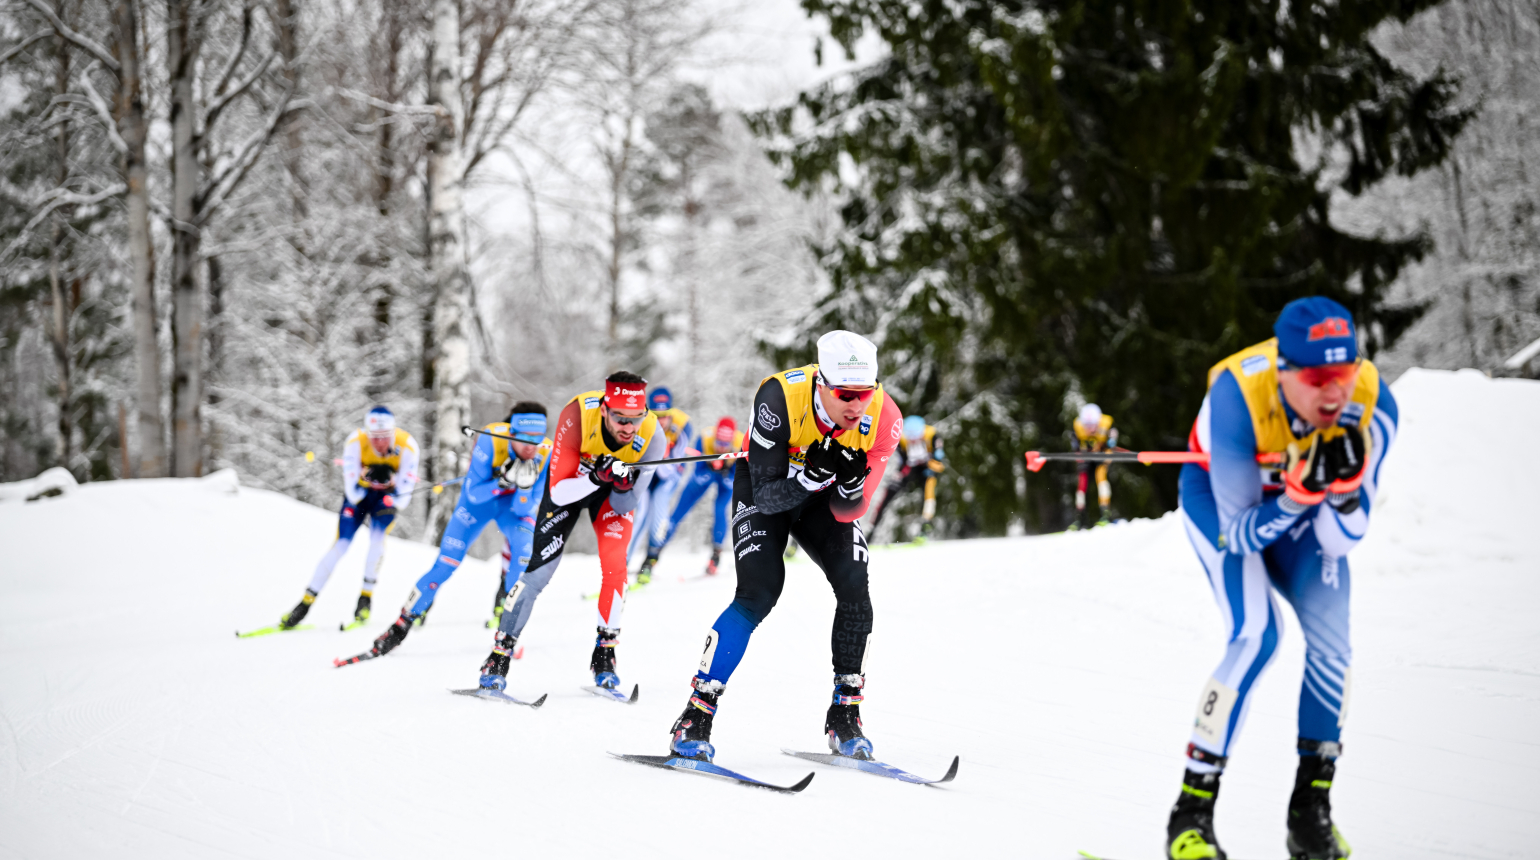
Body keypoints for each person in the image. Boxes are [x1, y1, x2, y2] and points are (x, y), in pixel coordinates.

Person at [1166, 297, 1397, 860]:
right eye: (1318, 378)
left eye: (1343, 373)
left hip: (1301, 508)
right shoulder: (1236, 397)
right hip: (1224, 505)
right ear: (1284, 371)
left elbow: (1346, 539)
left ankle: (1310, 813)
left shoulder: (1374, 402)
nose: (1335, 392)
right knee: (1256, 634)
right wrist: (1296, 498)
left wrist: (1341, 494)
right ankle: (1189, 817)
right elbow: (1242, 534)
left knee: (1332, 642)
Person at [666, 330, 902, 763]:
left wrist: (849, 484)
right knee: (760, 590)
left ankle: (845, 715)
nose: (857, 406)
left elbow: (852, 510)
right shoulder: (780, 397)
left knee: (855, 582)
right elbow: (768, 495)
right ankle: (695, 715)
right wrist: (810, 477)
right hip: (766, 487)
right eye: (846, 395)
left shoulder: (884, 417)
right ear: (822, 384)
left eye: (864, 394)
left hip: (819, 499)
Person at [473, 372, 665, 692]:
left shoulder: (653, 436)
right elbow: (560, 492)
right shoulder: (577, 415)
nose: (629, 428)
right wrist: (597, 477)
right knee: (539, 572)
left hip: (609, 497)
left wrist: (622, 484)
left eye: (636, 418)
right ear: (605, 410)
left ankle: (605, 656)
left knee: (617, 568)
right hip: (571, 486)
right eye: (620, 418)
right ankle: (499, 655)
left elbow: (624, 506)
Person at [359, 404, 552, 659]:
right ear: (511, 433)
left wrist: (525, 487)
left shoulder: (545, 452)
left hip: (512, 509)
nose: (531, 446)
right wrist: (502, 481)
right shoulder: (490, 442)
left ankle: (507, 634)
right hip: (476, 506)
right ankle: (399, 627)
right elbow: (473, 493)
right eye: (525, 439)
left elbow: (523, 507)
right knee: (446, 563)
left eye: (537, 439)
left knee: (524, 557)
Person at [280, 406, 418, 629]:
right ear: (367, 434)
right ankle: (305, 604)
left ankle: (365, 598)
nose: (380, 443)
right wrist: (368, 478)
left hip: (386, 498)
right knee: (340, 546)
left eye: (385, 437)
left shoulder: (408, 445)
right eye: (375, 437)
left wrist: (388, 484)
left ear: (393, 433)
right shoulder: (355, 441)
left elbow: (404, 498)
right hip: (360, 497)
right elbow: (353, 493)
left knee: (376, 541)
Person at [648, 416, 744, 576]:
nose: (721, 448)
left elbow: (734, 481)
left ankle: (716, 555)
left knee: (720, 510)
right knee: (679, 511)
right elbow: (698, 476)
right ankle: (654, 554)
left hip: (726, 478)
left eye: (725, 444)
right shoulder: (705, 438)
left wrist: (725, 472)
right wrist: (711, 469)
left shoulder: (740, 445)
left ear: (732, 441)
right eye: (719, 443)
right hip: (706, 474)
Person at [632, 386, 698, 583]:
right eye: (656, 416)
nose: (661, 421)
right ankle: (621, 565)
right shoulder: (638, 421)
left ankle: (650, 560)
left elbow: (668, 469)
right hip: (646, 473)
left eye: (665, 416)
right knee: (640, 516)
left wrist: (664, 454)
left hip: (668, 476)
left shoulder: (683, 424)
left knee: (659, 515)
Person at [869, 414, 946, 538]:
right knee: (891, 489)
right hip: (911, 467)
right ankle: (870, 533)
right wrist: (900, 474)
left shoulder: (932, 435)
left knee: (928, 489)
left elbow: (940, 464)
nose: (913, 440)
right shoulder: (902, 439)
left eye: (916, 437)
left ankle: (925, 528)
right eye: (911, 437)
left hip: (928, 467)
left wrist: (929, 463)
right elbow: (903, 461)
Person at [1069, 403, 1118, 529]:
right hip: (1086, 455)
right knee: (1082, 481)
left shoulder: (1106, 424)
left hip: (1102, 454)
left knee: (1101, 476)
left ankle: (1105, 513)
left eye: (1093, 425)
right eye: (1087, 425)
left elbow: (1112, 442)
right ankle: (1079, 518)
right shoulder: (1077, 426)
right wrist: (1079, 453)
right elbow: (1075, 444)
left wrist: (1110, 441)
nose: (1090, 429)